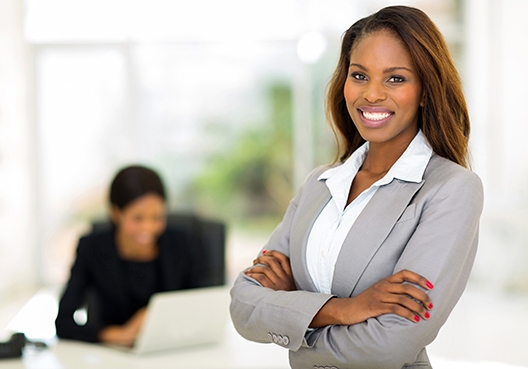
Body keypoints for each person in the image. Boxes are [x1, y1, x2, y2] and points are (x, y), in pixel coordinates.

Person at [230, 5, 483, 369]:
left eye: (396, 78)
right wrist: (347, 309)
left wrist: (293, 313)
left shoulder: (451, 190)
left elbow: (390, 346)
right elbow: (243, 305)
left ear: (426, 91)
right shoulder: (319, 184)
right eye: (359, 75)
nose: (372, 95)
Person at [55, 165, 206, 346]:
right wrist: (115, 335)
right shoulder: (92, 247)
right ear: (116, 213)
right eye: (138, 218)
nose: (148, 228)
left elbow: (203, 307)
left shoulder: (183, 242)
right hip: (113, 355)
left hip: (173, 348)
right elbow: (63, 322)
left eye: (157, 217)